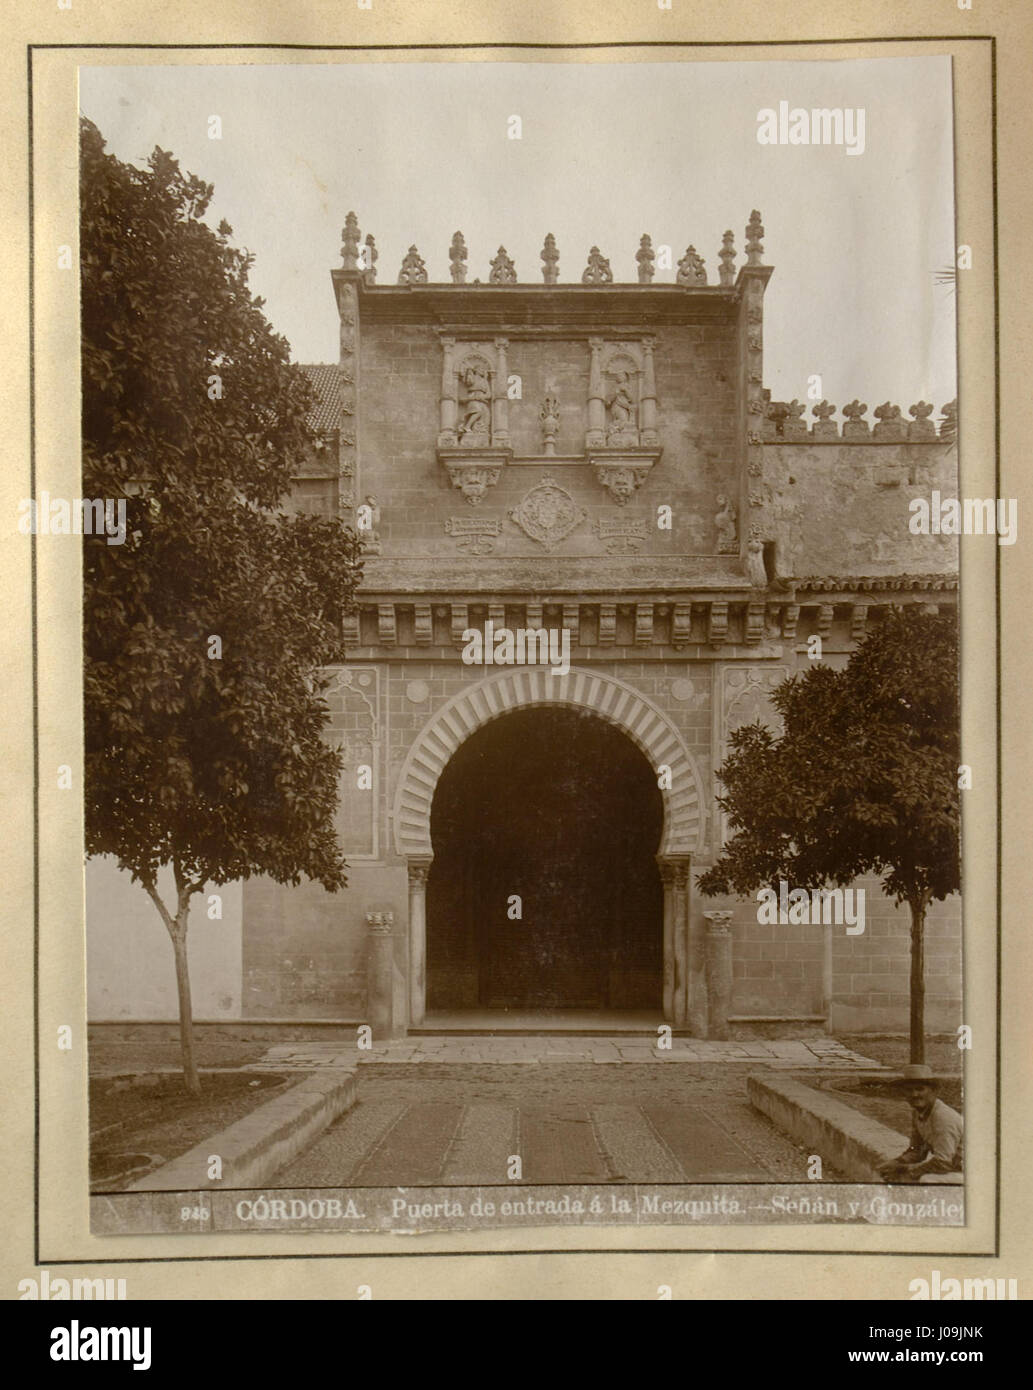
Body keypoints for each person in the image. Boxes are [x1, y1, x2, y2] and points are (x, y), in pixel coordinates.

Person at [877, 1063, 963, 1182]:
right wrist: (895, 1162)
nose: (914, 1094)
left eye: (920, 1089)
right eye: (909, 1090)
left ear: (933, 1091)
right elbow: (917, 1151)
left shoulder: (943, 1117)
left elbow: (943, 1163)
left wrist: (904, 1169)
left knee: (926, 1180)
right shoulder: (919, 1113)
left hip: (969, 1171)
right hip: (952, 1167)